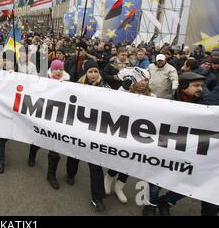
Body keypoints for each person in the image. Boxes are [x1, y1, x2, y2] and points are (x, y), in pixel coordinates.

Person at [142, 72, 219, 216]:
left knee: (190, 183)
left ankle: (166, 202)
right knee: (156, 180)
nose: (200, 89)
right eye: (195, 86)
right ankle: (150, 205)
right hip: (166, 148)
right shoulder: (167, 102)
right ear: (183, 87)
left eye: (201, 86)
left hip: (192, 152)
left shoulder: (207, 104)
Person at [104, 67, 154, 204]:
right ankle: (109, 178)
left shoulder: (153, 97)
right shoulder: (125, 91)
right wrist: (123, 88)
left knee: (130, 163)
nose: (144, 83)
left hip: (139, 136)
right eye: (141, 79)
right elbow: (115, 104)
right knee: (118, 158)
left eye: (146, 80)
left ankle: (119, 187)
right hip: (123, 133)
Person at [66, 60, 108, 212]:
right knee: (73, 156)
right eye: (90, 71)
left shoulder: (106, 87)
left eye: (96, 71)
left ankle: (97, 197)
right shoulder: (78, 86)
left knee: (96, 165)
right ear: (85, 73)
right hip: (78, 129)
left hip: (96, 132)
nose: (93, 74)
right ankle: (70, 174)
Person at [27, 60, 70, 178]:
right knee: (38, 137)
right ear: (51, 69)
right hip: (44, 115)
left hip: (58, 118)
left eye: (61, 69)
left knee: (54, 147)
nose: (58, 71)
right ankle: (32, 156)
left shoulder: (67, 82)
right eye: (56, 69)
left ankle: (51, 175)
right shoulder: (44, 80)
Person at [0, 50, 17, 173]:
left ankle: (0, 145)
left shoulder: (19, 75)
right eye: (4, 60)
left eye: (8, 60)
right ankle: (0, 161)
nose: (5, 62)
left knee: (7, 134)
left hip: (12, 110)